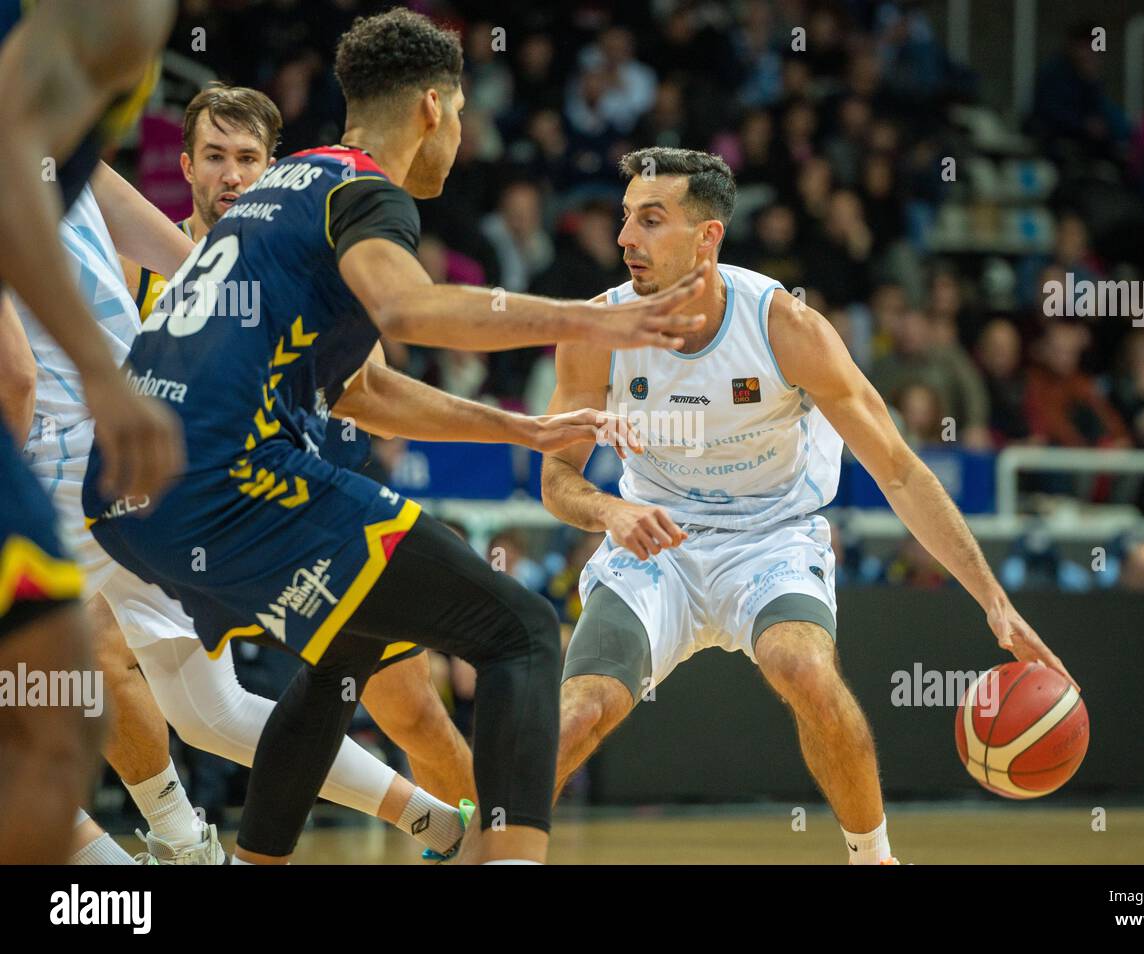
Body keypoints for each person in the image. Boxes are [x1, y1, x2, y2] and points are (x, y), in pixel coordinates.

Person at [83, 10, 705, 865]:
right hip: (221, 475)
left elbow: (363, 387)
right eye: (458, 116)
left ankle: (253, 859)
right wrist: (599, 321)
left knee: (344, 653)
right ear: (431, 108)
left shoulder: (284, 185)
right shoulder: (366, 193)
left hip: (122, 493)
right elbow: (410, 309)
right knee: (521, 629)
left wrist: (519, 429)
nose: (461, 134)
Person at [542, 147, 1077, 864]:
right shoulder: (595, 331)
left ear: (708, 237)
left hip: (772, 536)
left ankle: (873, 858)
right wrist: (610, 514)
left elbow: (898, 469)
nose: (624, 238)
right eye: (624, 219)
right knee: (578, 714)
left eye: (650, 220)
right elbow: (557, 480)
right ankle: (488, 850)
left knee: (806, 671)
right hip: (655, 538)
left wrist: (993, 599)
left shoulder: (785, 327)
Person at [0, 0, 185, 864]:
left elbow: (66, 169)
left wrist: (204, 272)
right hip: (48, 423)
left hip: (67, 421)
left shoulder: (115, 34)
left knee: (64, 706)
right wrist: (104, 373)